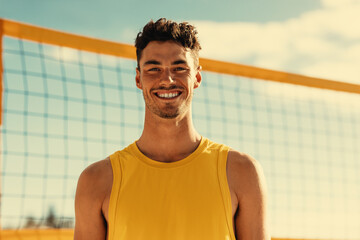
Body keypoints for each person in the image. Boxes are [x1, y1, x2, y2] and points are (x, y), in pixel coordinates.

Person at [74, 18, 270, 240]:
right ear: (138, 78)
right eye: (154, 68)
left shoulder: (242, 172)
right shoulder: (96, 180)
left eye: (179, 68)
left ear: (196, 77)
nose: (167, 79)